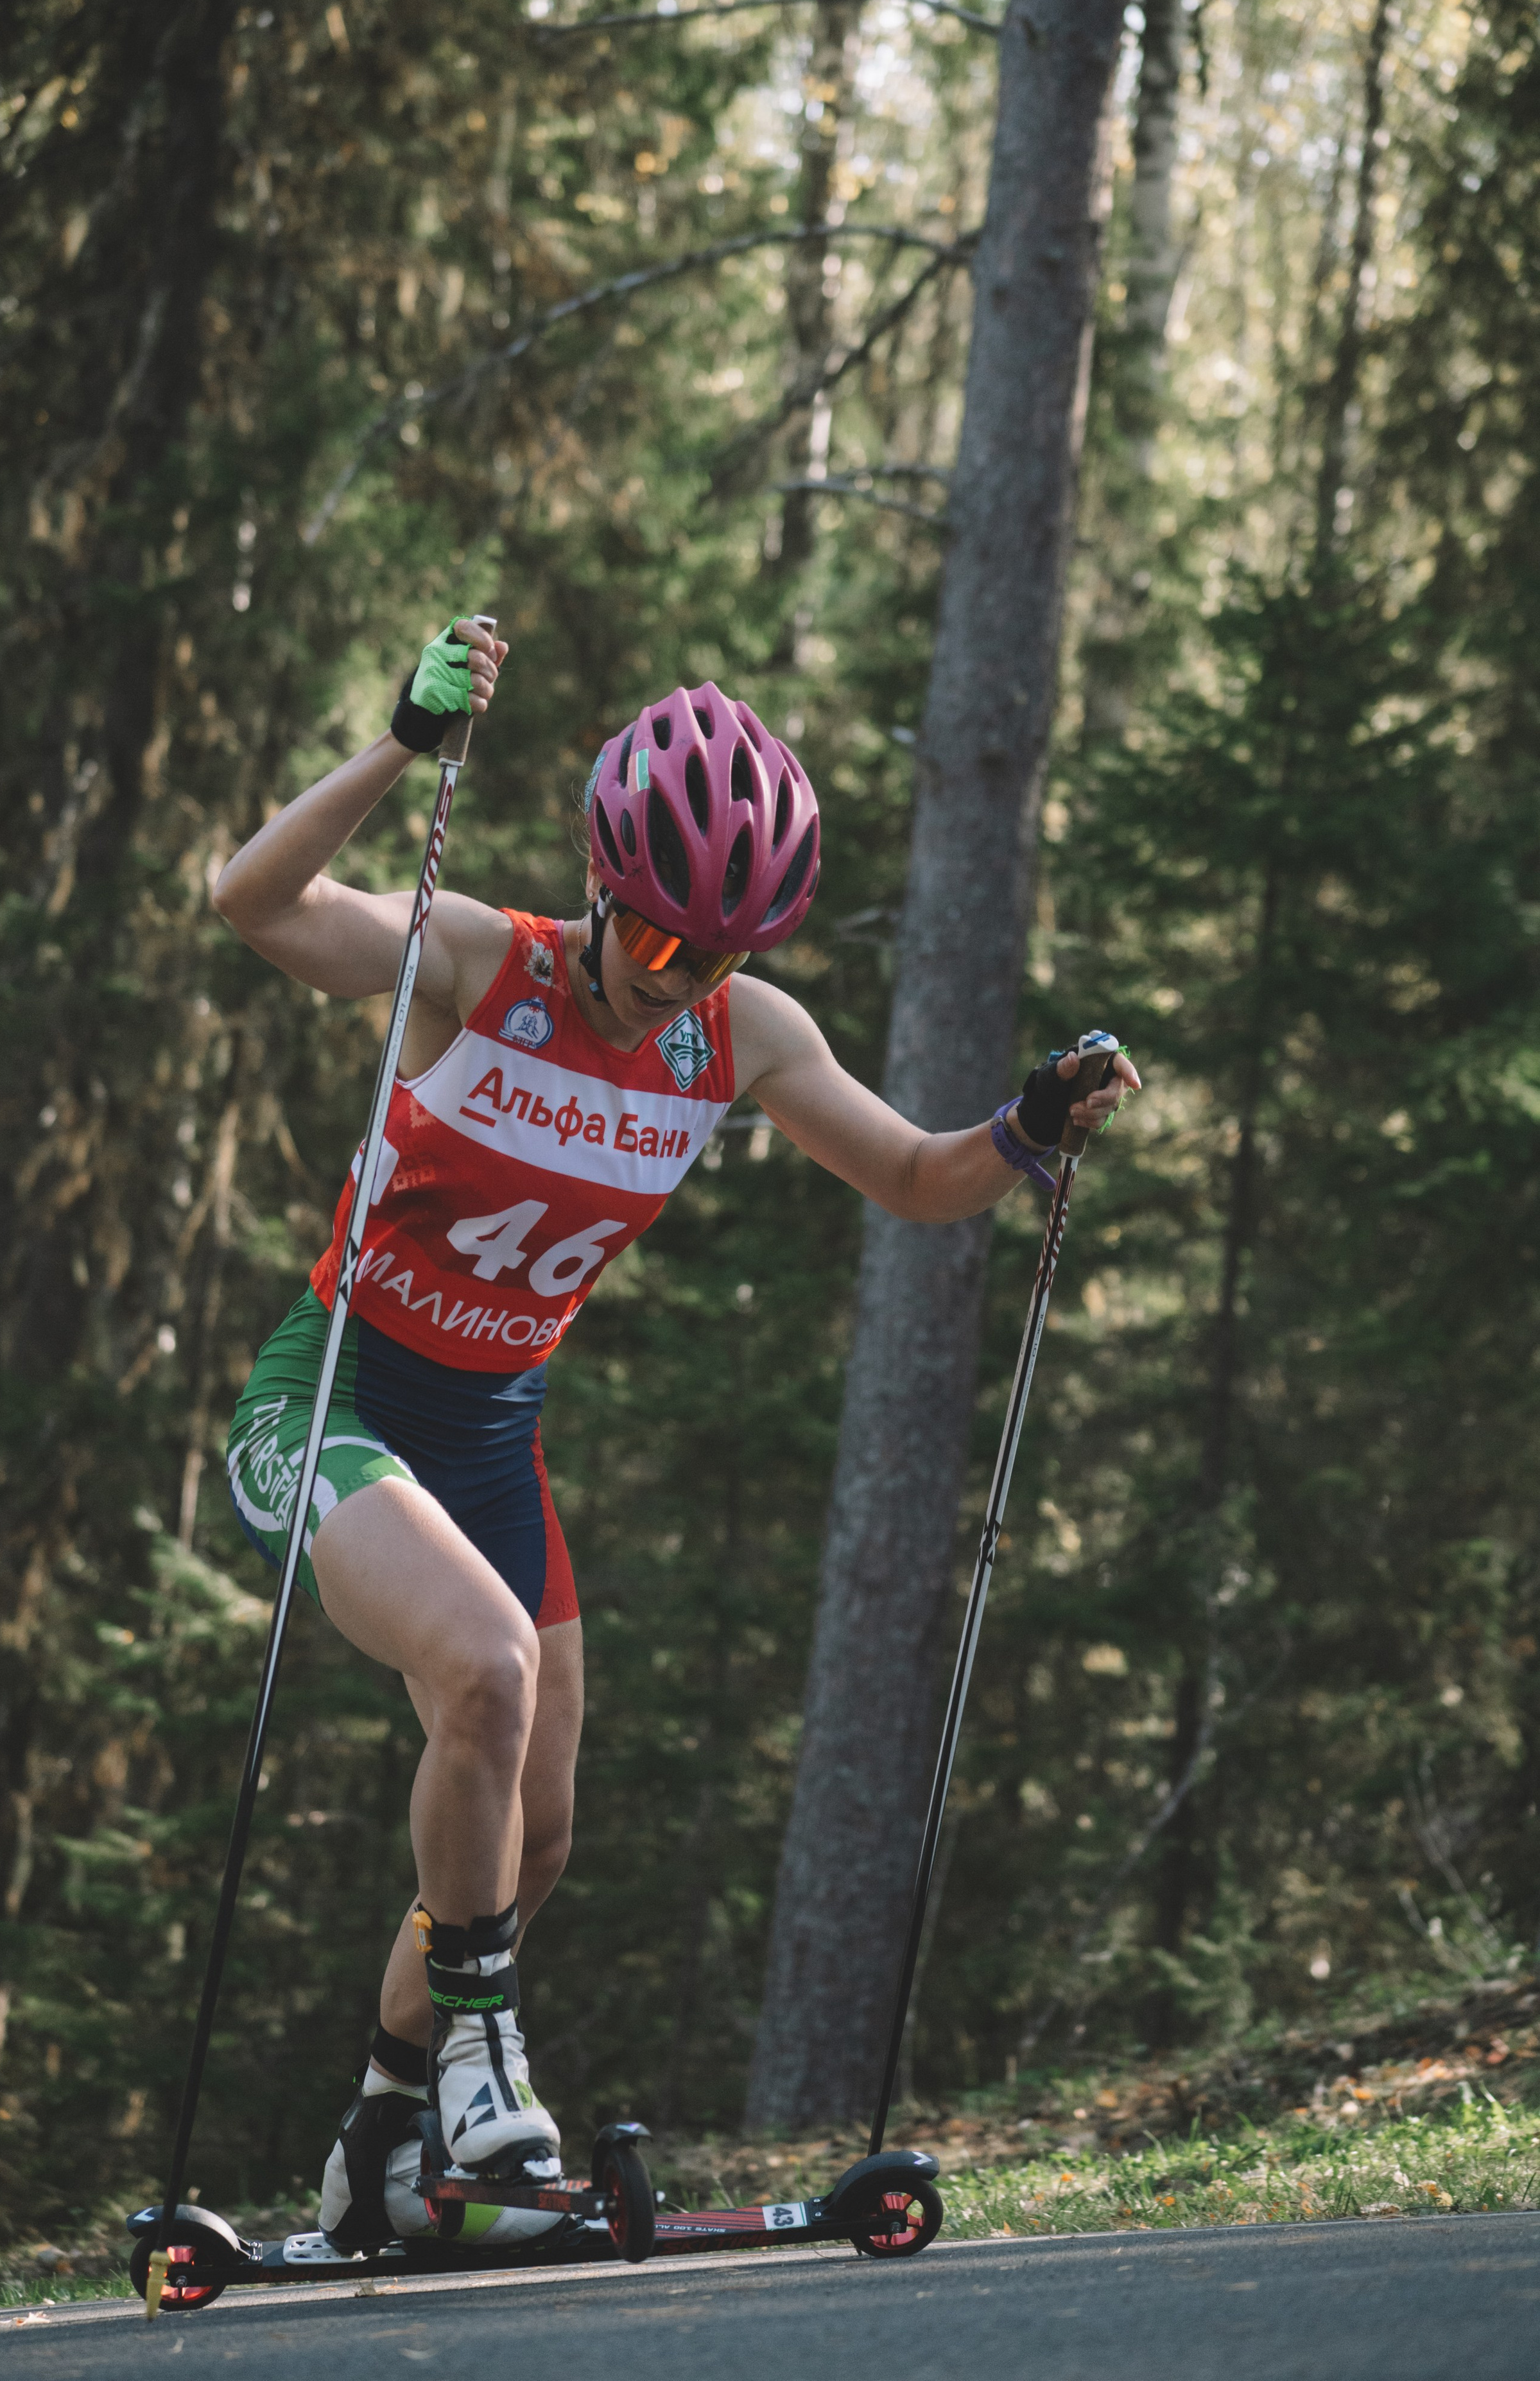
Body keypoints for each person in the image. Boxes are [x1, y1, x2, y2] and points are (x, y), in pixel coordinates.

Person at [213, 617, 1139, 2250]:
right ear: (598, 888)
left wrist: (1025, 1125)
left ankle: (375, 2145)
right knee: (484, 1670)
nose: (671, 982)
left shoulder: (744, 1037)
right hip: (338, 1400)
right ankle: (484, 2069)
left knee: (538, 1834)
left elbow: (920, 1180)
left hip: (497, 1439)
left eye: (712, 954)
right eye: (650, 941)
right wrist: (402, 747)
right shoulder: (472, 964)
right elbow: (252, 904)